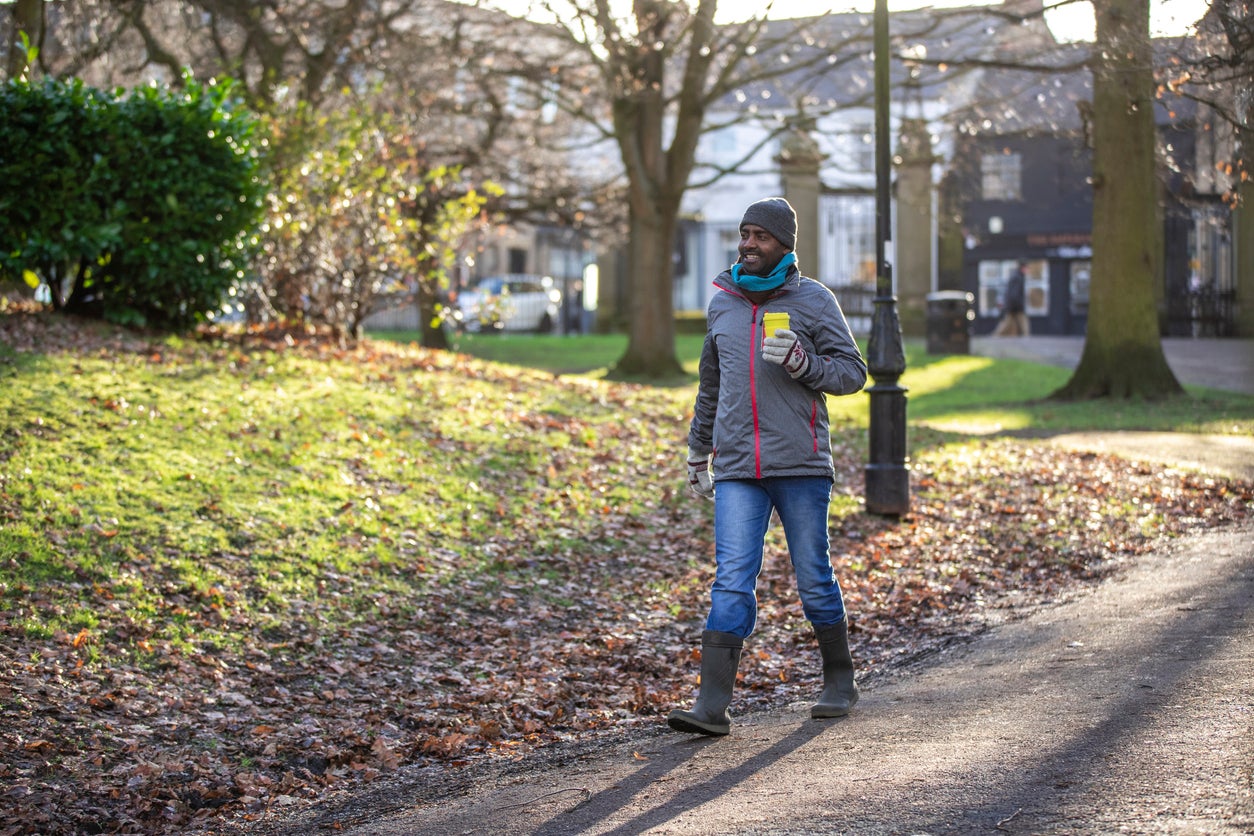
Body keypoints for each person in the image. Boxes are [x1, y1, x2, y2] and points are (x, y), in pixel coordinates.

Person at [670, 197, 868, 737]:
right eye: (744, 233)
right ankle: (712, 706)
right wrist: (696, 450)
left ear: (784, 243)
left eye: (759, 235)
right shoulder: (723, 303)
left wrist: (805, 365)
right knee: (731, 579)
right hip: (736, 464)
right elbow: (710, 386)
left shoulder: (814, 301)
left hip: (801, 462)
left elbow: (853, 374)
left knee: (813, 576)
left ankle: (839, 680)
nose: (748, 244)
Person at [993, 261, 1029, 336]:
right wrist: (1018, 305)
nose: (1028, 270)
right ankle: (1027, 338)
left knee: (1007, 323)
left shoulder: (1017, 276)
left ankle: (995, 336)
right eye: (1026, 268)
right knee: (1022, 324)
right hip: (1015, 306)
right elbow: (1014, 294)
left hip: (1012, 305)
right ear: (1023, 268)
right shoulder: (1017, 278)